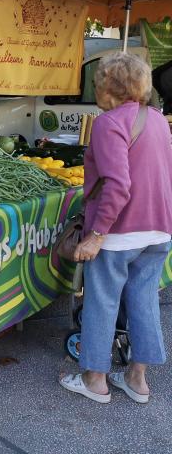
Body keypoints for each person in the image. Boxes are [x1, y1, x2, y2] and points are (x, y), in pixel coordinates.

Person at [60, 52, 172, 404]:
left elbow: (118, 185)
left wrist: (96, 234)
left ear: (110, 87)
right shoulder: (156, 119)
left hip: (120, 232)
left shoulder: (108, 123)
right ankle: (137, 380)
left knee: (102, 302)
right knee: (144, 301)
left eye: (97, 82)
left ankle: (95, 379)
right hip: (158, 229)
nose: (95, 88)